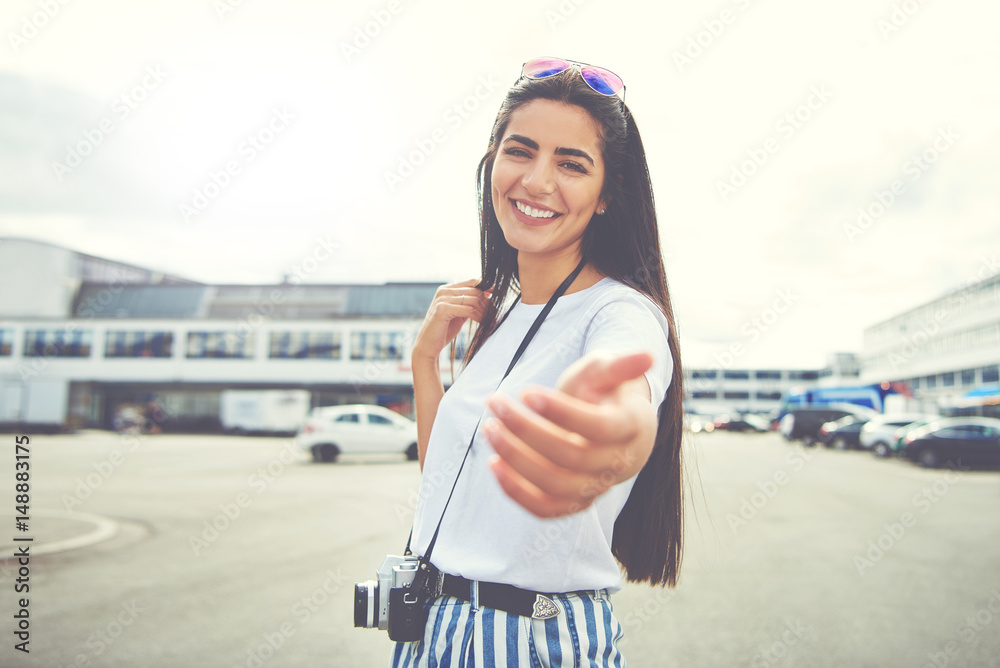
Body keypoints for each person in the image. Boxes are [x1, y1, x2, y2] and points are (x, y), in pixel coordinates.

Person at [394, 57, 685, 667]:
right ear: (491, 163)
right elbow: (446, 481)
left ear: (607, 196)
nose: (536, 180)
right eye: (520, 151)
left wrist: (614, 437)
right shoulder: (499, 313)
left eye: (572, 164)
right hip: (435, 629)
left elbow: (626, 389)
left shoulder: (620, 313)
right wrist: (426, 362)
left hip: (528, 637)